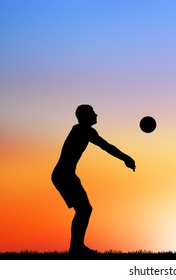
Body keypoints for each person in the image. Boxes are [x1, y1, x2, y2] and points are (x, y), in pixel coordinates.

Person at [52, 104, 136, 254]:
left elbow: (105, 146)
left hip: (65, 174)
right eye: (93, 113)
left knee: (84, 210)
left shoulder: (82, 130)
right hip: (63, 175)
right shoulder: (82, 130)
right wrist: (126, 158)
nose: (96, 115)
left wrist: (125, 158)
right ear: (85, 116)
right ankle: (76, 248)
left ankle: (76, 247)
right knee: (84, 209)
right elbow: (106, 146)